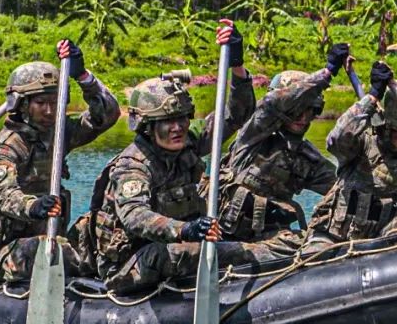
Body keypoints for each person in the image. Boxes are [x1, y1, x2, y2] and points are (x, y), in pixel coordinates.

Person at [70, 20, 261, 294]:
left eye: (183, 119)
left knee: (242, 247)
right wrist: (184, 230)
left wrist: (237, 64)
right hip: (130, 263)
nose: (178, 127)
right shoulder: (132, 166)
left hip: (178, 244)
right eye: (168, 122)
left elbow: (236, 115)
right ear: (148, 128)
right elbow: (135, 216)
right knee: (183, 252)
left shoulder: (187, 143)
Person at [0, 39, 120, 281]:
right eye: (41, 103)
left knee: (97, 228)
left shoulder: (60, 133)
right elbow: (4, 196)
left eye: (55, 102)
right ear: (22, 105)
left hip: (50, 237)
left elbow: (107, 115)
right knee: (44, 250)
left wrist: (84, 77)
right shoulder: (5, 146)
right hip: (3, 250)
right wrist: (33, 206)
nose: (50, 111)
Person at [210, 44, 349, 256]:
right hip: (220, 234)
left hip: (266, 240)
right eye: (297, 110)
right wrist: (327, 73)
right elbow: (271, 106)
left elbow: (345, 188)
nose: (303, 118)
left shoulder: (307, 159)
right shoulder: (253, 136)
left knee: (315, 245)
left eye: (310, 110)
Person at [303, 62, 397, 252]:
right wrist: (372, 96)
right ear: (387, 125)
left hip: (384, 246)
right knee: (314, 258)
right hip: (334, 237)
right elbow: (337, 138)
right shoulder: (361, 145)